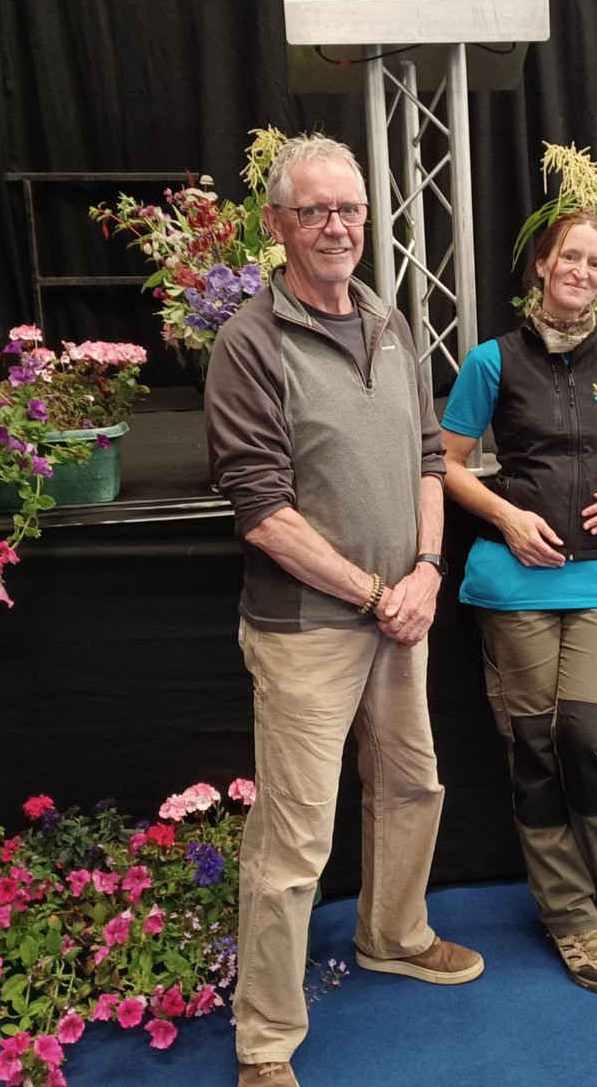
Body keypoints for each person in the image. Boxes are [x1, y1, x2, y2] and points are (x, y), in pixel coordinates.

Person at [205, 134, 483, 1087]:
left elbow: (428, 458)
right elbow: (262, 513)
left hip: (402, 613)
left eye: (351, 209)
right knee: (293, 843)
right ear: (278, 224)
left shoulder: (389, 321)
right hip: (308, 630)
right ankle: (265, 1041)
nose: (337, 226)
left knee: (412, 787)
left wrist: (428, 571)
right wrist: (375, 593)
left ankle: (393, 935)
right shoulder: (249, 344)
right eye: (315, 210)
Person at [439, 210, 597, 994]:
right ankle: (570, 915)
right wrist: (507, 516)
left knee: (590, 733)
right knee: (536, 746)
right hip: (514, 582)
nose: (580, 270)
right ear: (542, 265)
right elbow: (445, 463)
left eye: (595, 263)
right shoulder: (492, 360)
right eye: (568, 257)